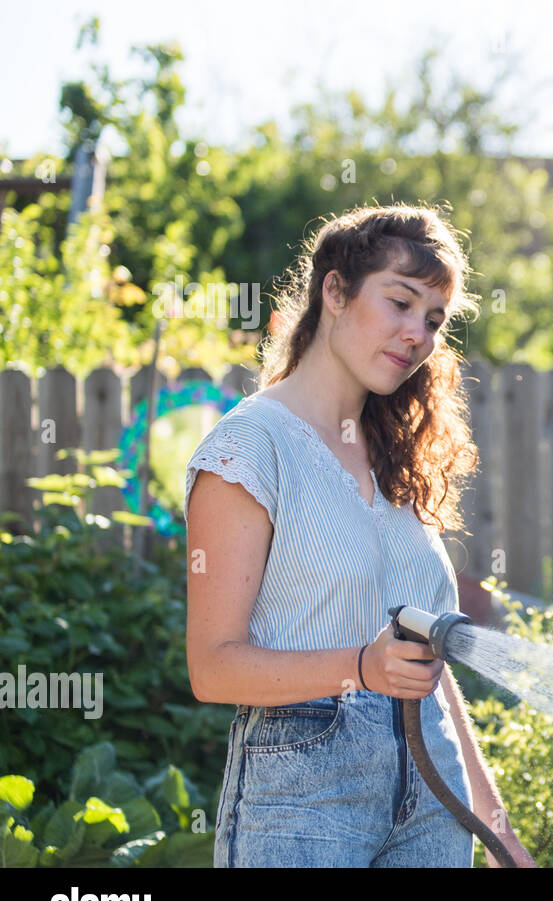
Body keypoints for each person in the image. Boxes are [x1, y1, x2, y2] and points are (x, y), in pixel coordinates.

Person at [184, 202, 534, 867]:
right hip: (305, 799)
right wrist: (360, 668)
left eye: (434, 319)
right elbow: (212, 666)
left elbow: (424, 670)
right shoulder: (249, 450)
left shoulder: (395, 458)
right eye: (400, 302)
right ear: (336, 293)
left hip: (434, 792)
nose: (417, 334)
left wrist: (498, 833)